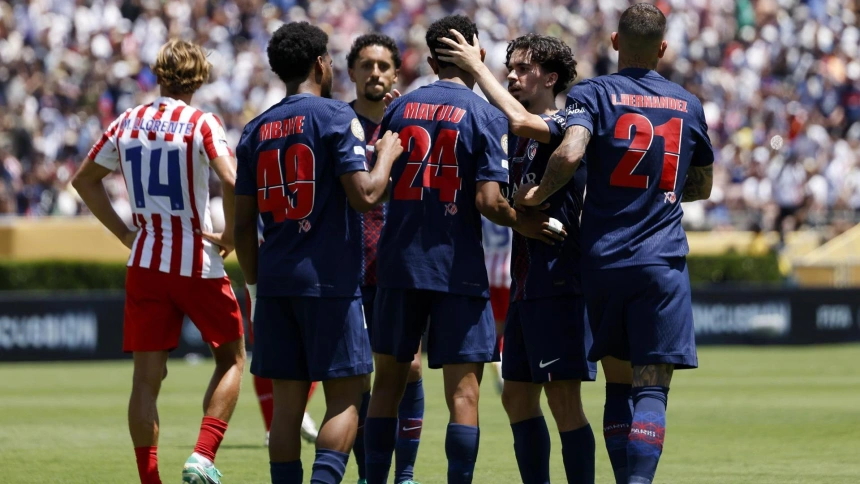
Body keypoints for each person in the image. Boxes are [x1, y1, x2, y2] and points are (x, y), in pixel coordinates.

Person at [515, 5, 715, 483]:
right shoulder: (688, 104)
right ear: (662, 49)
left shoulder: (593, 92)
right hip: (662, 261)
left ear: (614, 41)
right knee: (652, 391)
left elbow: (570, 151)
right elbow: (701, 186)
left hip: (603, 260)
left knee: (618, 385)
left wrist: (537, 196)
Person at [362, 15, 554, 484]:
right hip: (456, 268)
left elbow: (381, 188)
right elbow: (489, 202)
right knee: (464, 395)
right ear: (479, 56)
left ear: (430, 61)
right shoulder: (487, 115)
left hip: (399, 263)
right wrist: (522, 221)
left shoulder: (400, 108)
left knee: (386, 384)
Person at [233, 21, 403, 484]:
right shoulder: (333, 116)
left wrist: (254, 286)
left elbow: (242, 226)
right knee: (347, 397)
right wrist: (386, 153)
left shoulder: (254, 129)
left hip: (274, 284)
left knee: (287, 407)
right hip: (328, 281)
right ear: (321, 64)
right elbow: (365, 196)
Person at [72, 39, 246, 484]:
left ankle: (149, 479)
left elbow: (84, 180)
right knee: (232, 359)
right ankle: (202, 455)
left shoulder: (127, 121)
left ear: (158, 74)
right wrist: (229, 234)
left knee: (146, 380)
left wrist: (126, 233)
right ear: (201, 77)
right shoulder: (202, 122)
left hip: (146, 260)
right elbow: (231, 178)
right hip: (197, 261)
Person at [438, 32, 597, 482]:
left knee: (564, 401)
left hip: (559, 278)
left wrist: (475, 66)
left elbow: (522, 120)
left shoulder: (568, 121)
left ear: (550, 77)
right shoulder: (514, 135)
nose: (512, 74)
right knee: (517, 398)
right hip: (528, 281)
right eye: (509, 67)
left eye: (522, 68)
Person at [345, 33, 424, 484]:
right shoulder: (338, 124)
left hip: (398, 268)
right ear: (352, 72)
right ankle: (369, 473)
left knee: (410, 368)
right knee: (356, 379)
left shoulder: (411, 125)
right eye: (366, 65)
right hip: (350, 269)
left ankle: (406, 474)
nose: (375, 73)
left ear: (396, 74)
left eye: (383, 66)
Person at [245, 220, 320, 446]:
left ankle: (294, 414)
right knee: (267, 353)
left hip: (290, 264)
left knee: (315, 351)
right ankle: (276, 424)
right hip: (278, 265)